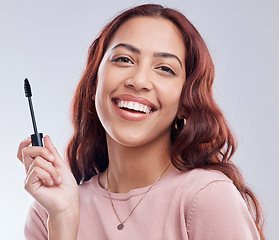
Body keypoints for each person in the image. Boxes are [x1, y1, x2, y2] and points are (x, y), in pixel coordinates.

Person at [17, 4, 265, 240]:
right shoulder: (48, 212)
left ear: (185, 103)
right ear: (94, 83)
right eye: (124, 59)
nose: (139, 80)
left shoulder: (207, 198)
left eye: (165, 68)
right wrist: (63, 219)